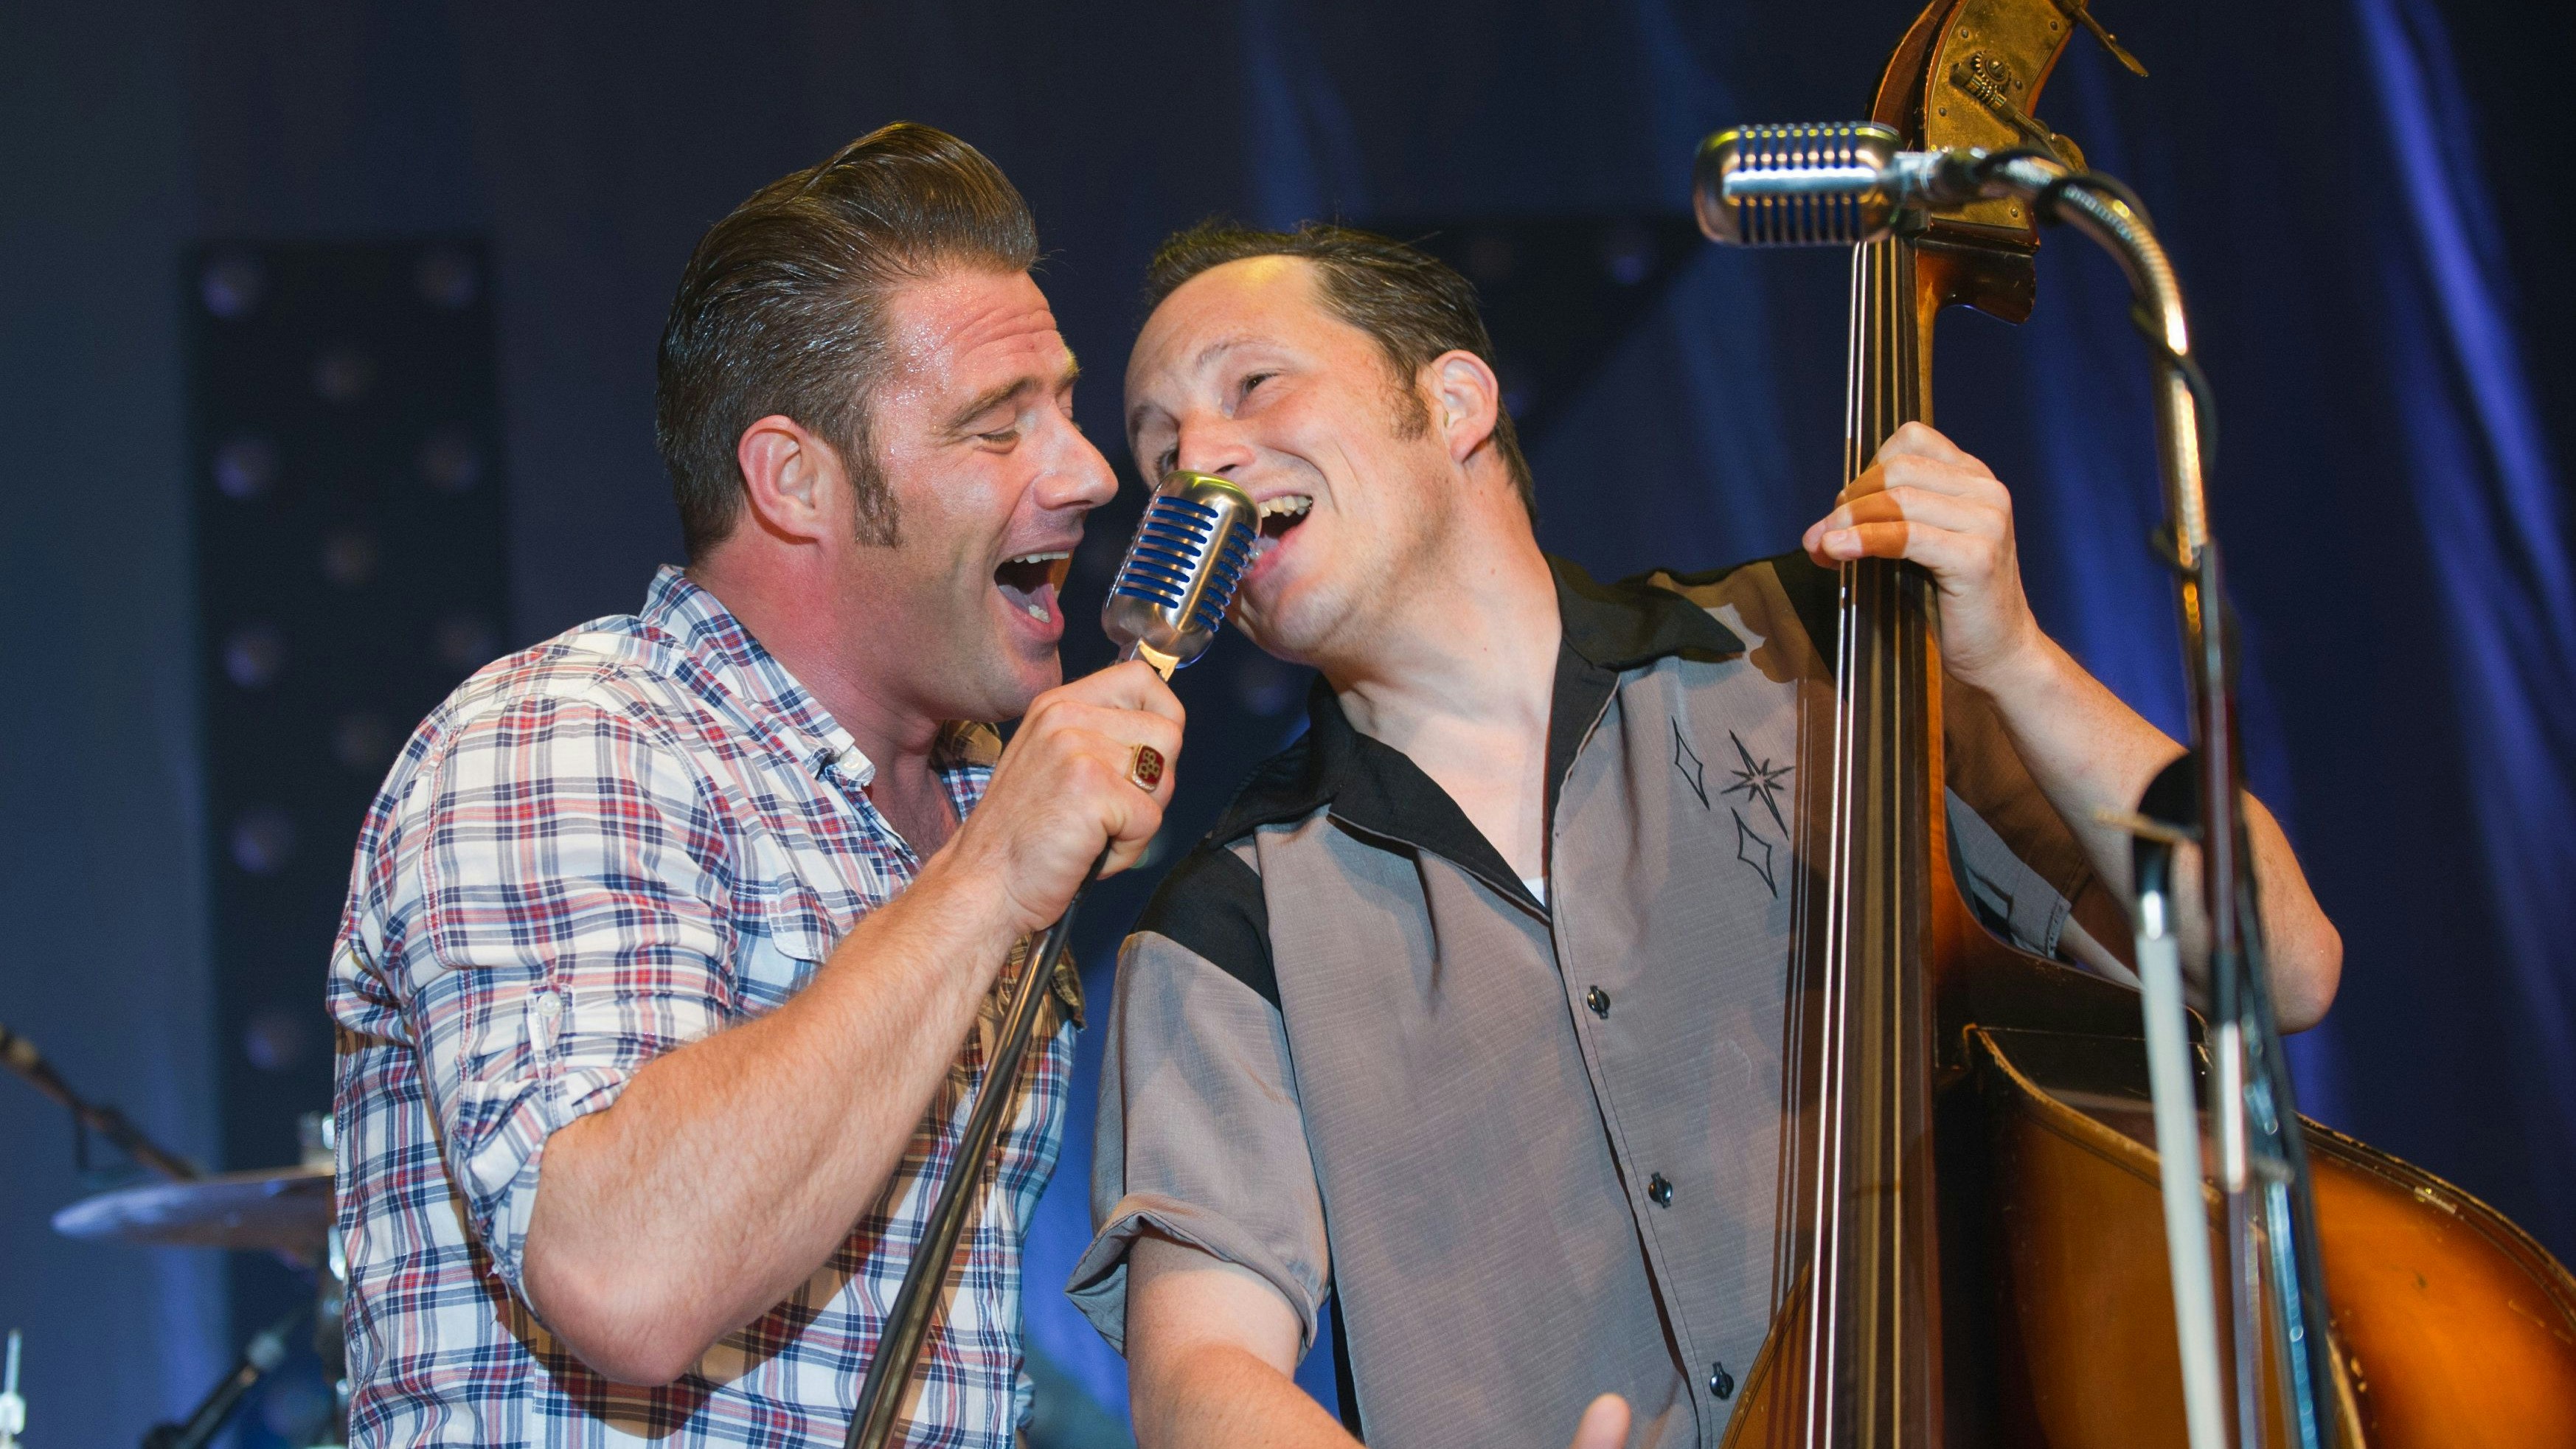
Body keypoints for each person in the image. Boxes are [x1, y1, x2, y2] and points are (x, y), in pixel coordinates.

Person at [1068, 223, 2344, 1449]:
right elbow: (1200, 1378)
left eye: (1252, 385)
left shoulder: (1821, 653)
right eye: (1160, 447)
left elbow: (2279, 965)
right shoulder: (1225, 918)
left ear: (1453, 403)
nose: (1198, 463)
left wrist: (2012, 659)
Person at [328, 123, 1186, 1445]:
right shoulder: (574, 735)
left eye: (1065, 408)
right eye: (996, 425)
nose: (1087, 473)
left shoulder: (973, 794)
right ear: (793, 480)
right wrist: (988, 882)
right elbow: (624, 1273)